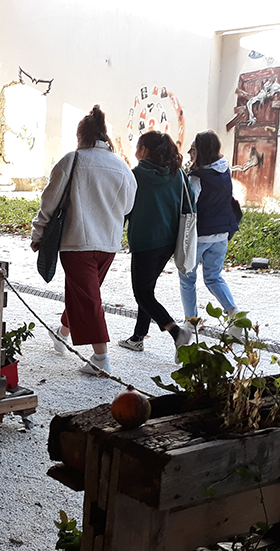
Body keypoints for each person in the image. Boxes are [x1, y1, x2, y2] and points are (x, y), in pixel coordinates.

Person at [31, 105, 137, 375]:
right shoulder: (122, 166)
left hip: (77, 241)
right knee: (85, 293)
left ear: (81, 135)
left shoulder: (72, 160)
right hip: (109, 243)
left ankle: (101, 358)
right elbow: (128, 206)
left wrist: (38, 233)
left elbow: (49, 203)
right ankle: (61, 334)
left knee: (88, 298)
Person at [118, 131, 194, 354]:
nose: (135, 151)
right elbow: (190, 204)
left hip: (144, 241)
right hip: (169, 241)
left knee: (142, 294)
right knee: (147, 289)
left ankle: (176, 332)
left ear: (145, 150)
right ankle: (138, 337)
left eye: (138, 147)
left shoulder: (135, 176)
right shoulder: (179, 175)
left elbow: (124, 208)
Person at [179, 130, 241, 332]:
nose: (189, 152)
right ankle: (234, 313)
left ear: (202, 151)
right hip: (222, 234)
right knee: (214, 277)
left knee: (187, 278)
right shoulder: (224, 171)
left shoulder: (197, 178)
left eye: (193, 149)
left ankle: (191, 321)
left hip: (199, 236)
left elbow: (189, 207)